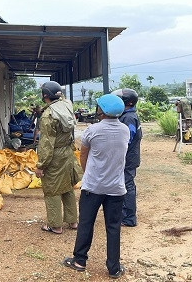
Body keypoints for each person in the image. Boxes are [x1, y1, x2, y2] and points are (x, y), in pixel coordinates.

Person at [62, 94, 129, 279]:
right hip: (116, 188)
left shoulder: (92, 131)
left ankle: (79, 260)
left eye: (99, 107)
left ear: (102, 111)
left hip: (93, 187)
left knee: (86, 223)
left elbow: (83, 156)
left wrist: (89, 173)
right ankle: (114, 268)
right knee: (113, 227)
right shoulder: (125, 130)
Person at [35, 81, 78, 234]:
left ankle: (55, 225)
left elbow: (46, 145)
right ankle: (73, 221)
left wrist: (40, 166)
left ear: (45, 95)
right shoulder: (66, 105)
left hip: (55, 155)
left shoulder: (48, 116)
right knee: (67, 187)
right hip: (67, 152)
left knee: (52, 189)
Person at [113, 88, 142, 227]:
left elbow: (127, 139)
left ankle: (129, 217)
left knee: (127, 185)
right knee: (124, 184)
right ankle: (124, 214)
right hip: (128, 157)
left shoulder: (129, 118)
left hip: (128, 158)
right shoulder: (126, 115)